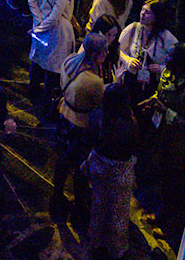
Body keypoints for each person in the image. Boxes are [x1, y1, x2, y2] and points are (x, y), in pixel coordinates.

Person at [50, 32, 108, 231]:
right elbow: (101, 103)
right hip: (80, 126)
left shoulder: (70, 61)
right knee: (80, 169)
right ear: (98, 54)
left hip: (64, 116)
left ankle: (56, 197)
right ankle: (79, 212)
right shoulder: (93, 81)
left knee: (62, 161)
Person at [145, 43, 185, 239]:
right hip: (166, 142)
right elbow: (164, 95)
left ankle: (173, 229)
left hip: (181, 150)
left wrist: (166, 111)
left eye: (170, 56)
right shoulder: (170, 76)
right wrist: (154, 100)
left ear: (179, 62)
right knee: (165, 183)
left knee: (176, 189)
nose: (166, 59)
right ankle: (162, 214)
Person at [87, 80, 140, 260]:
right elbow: (132, 148)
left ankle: (96, 243)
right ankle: (117, 249)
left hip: (99, 167)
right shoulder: (129, 125)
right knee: (118, 211)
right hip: (120, 172)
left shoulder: (96, 116)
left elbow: (91, 138)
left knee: (98, 206)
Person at [28, 0, 76, 110]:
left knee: (37, 59)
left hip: (40, 27)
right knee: (52, 68)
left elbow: (32, 0)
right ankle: (47, 102)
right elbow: (55, 17)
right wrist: (41, 26)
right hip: (56, 32)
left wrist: (38, 21)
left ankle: (32, 91)